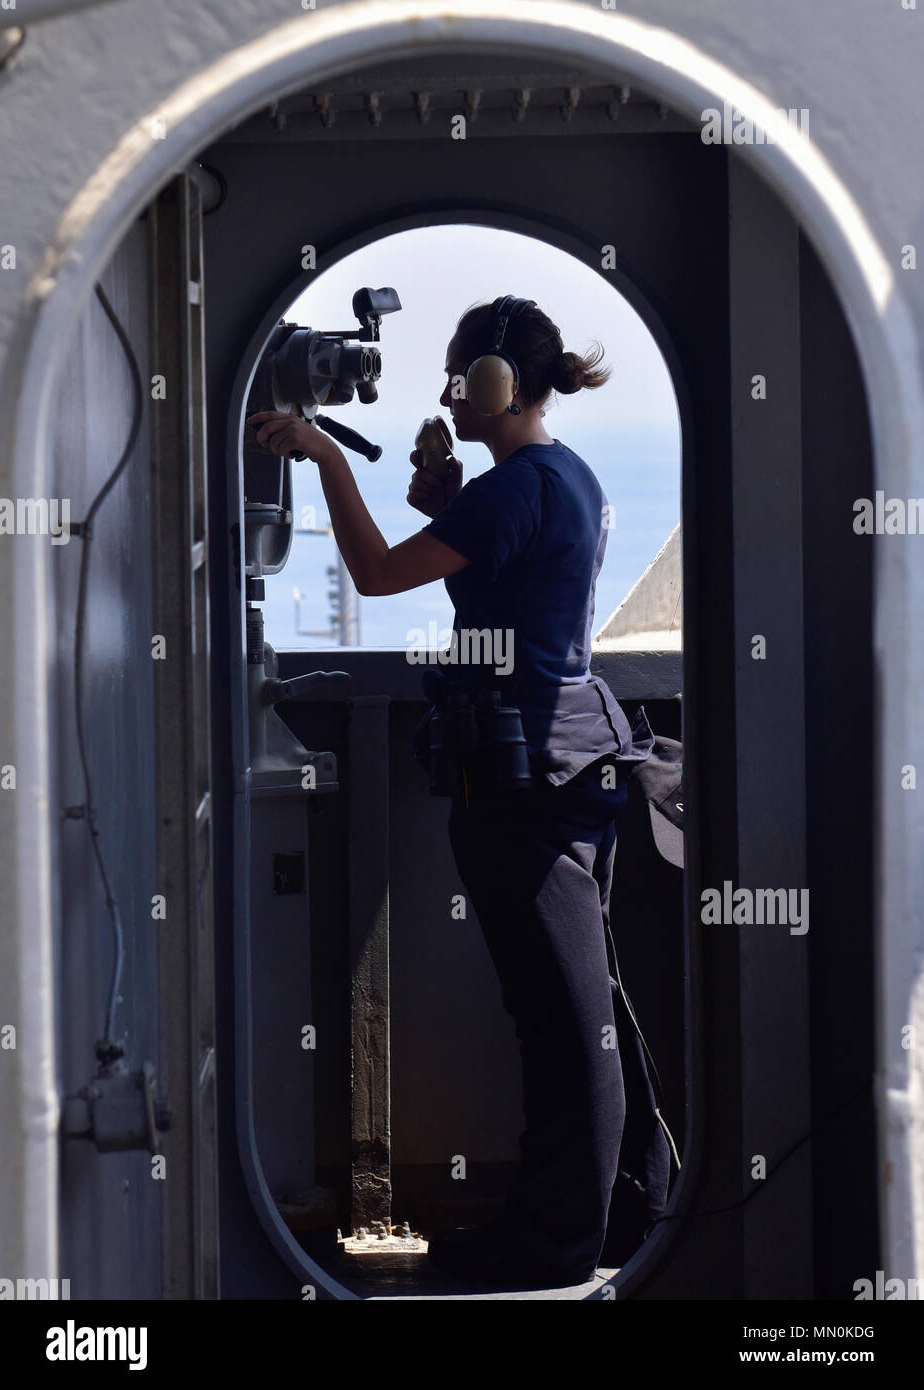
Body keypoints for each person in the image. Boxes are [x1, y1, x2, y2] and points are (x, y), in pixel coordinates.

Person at [250, 295, 671, 1288]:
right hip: (564, 766)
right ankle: (637, 1206)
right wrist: (448, 506)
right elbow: (510, 584)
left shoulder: (516, 486)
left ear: (491, 382)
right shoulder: (555, 477)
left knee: (560, 1020)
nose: (447, 393)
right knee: (588, 1004)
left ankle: (559, 1240)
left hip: (526, 786)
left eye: (456, 374)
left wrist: (327, 459)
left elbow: (375, 570)